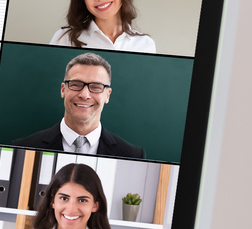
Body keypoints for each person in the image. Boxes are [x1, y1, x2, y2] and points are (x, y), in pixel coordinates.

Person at [8, 53, 147, 158]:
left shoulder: (132, 155)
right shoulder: (22, 148)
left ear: (107, 95)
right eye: (76, 85)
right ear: (63, 89)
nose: (84, 95)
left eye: (96, 86)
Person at [17, 161, 135, 229]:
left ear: (95, 205)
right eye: (64, 198)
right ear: (53, 201)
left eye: (82, 200)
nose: (71, 209)